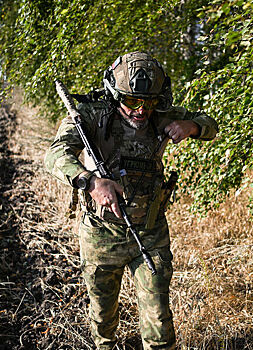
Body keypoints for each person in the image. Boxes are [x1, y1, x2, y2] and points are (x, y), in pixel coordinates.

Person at [45, 51, 218, 350]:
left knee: (159, 320)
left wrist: (191, 127)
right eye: (132, 102)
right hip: (102, 235)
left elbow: (210, 124)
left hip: (150, 233)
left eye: (148, 103)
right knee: (103, 317)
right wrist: (91, 182)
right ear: (115, 94)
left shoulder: (159, 115)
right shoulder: (91, 116)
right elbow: (55, 154)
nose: (141, 110)